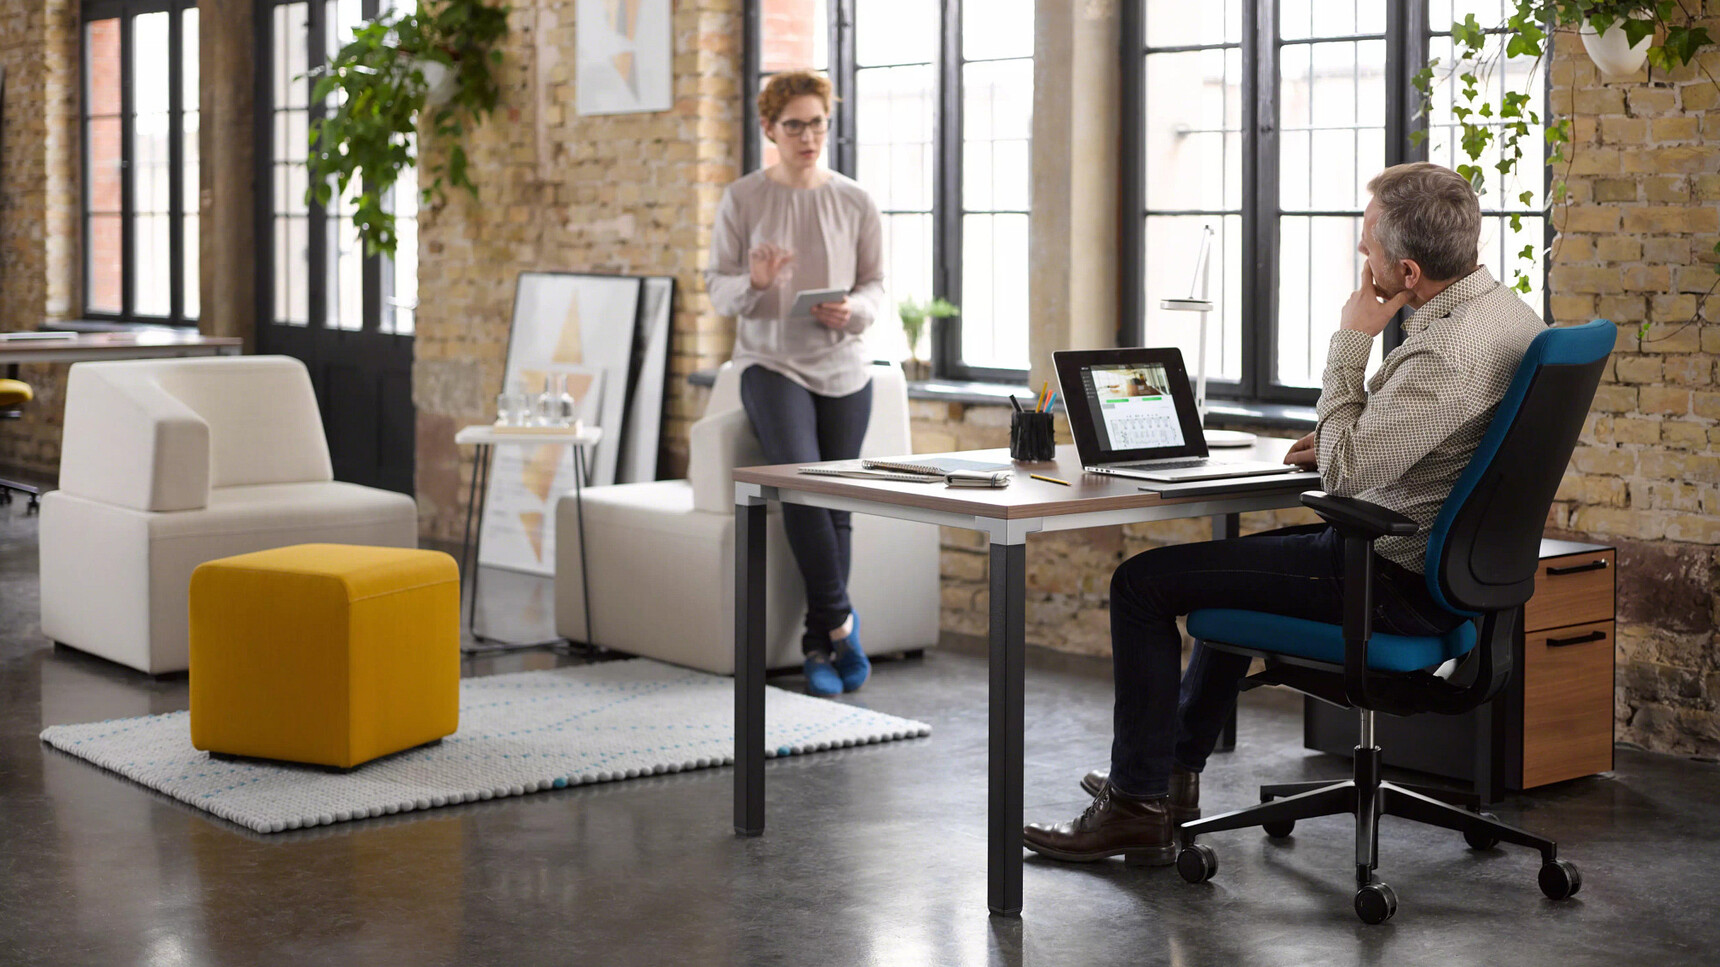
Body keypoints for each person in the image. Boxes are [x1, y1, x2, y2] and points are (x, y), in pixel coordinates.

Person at [1023, 162, 1550, 866]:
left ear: (1410, 269)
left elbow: (1348, 472)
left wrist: (1352, 340)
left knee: (1140, 584)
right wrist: (1348, 436)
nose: (1362, 256)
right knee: (1231, 570)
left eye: (1368, 245)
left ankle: (1135, 807)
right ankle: (1168, 773)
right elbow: (1398, 445)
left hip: (1390, 586)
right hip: (1446, 577)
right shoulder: (1508, 315)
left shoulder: (1444, 353)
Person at [704, 70, 886, 697]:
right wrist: (754, 282)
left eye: (817, 123)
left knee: (835, 505)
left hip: (843, 365)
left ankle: (818, 641)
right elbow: (717, 289)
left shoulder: (855, 199)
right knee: (805, 488)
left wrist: (853, 311)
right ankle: (841, 622)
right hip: (770, 363)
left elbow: (875, 286)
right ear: (769, 130)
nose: (808, 136)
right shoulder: (744, 199)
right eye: (794, 125)